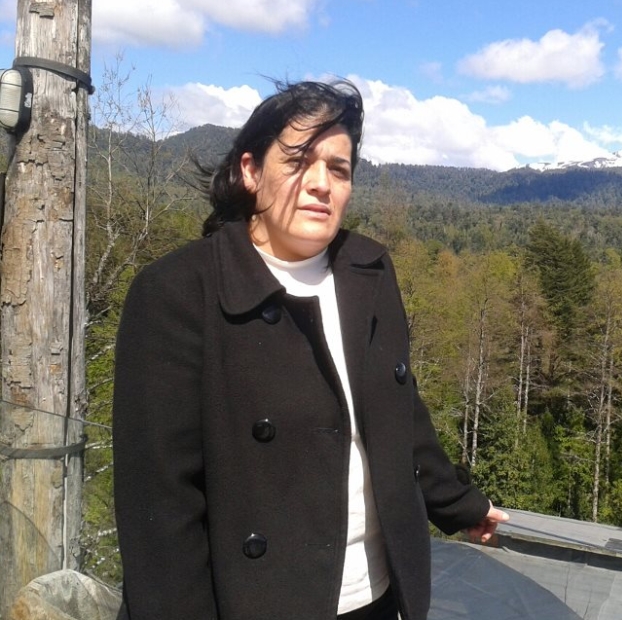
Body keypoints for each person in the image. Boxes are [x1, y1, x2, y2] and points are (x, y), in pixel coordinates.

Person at [112, 79, 509, 620]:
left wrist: (457, 503)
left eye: (339, 169)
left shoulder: (369, 271)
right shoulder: (179, 292)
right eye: (298, 161)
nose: (321, 183)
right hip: (255, 603)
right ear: (251, 171)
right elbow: (160, 507)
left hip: (375, 594)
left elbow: (399, 412)